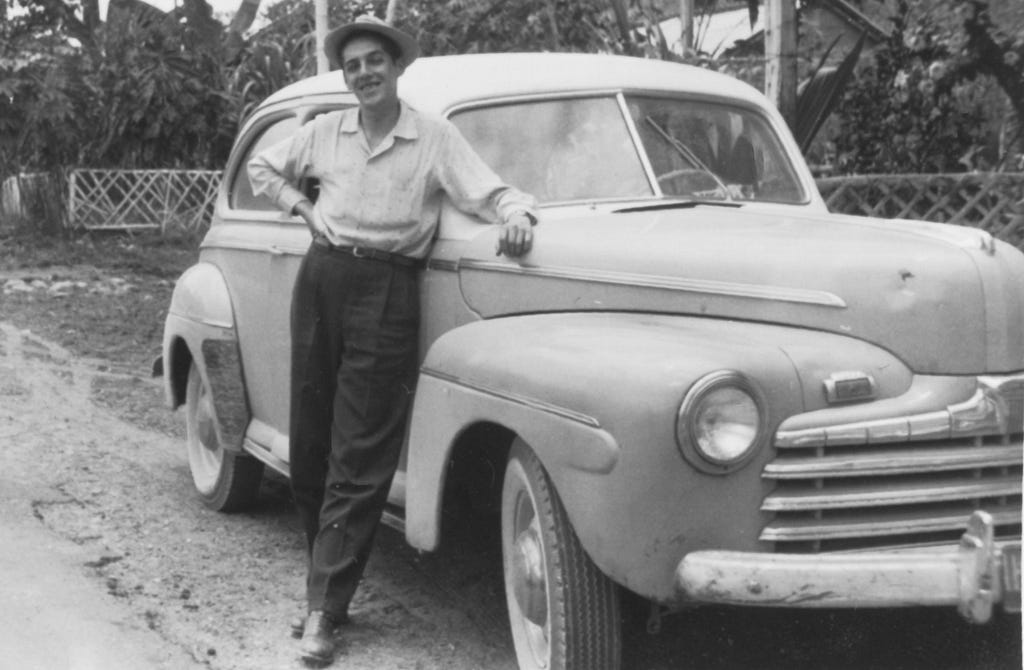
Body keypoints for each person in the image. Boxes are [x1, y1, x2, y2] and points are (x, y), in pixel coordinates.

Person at [247, 14, 538, 666]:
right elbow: (265, 169)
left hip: (388, 290)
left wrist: (517, 215)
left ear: (397, 66)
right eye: (352, 66)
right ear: (345, 76)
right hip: (321, 282)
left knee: (360, 455)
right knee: (312, 445)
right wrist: (303, 208)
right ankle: (324, 586)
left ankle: (324, 609)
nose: (364, 74)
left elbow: (493, 193)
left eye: (375, 61)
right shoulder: (324, 131)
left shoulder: (434, 138)